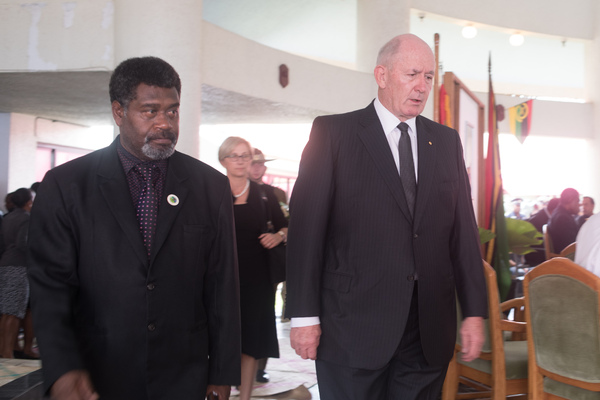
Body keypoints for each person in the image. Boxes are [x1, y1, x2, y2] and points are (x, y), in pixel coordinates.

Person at [286, 34, 487, 399]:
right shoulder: (334, 134)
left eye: (428, 77)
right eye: (412, 74)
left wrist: (474, 311)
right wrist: (303, 316)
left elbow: (463, 234)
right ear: (381, 74)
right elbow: (305, 232)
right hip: (351, 327)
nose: (422, 86)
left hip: (426, 331)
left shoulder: (445, 142)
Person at [27, 57, 241, 400]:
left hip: (183, 375)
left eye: (172, 111)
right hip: (96, 373)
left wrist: (221, 372)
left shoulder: (209, 186)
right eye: (150, 111)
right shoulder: (68, 185)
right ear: (118, 112)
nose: (164, 124)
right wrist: (63, 368)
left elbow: (222, 286)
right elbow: (51, 287)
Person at [218, 137, 287, 400]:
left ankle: (245, 396)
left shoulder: (266, 194)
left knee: (250, 342)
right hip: (219, 277)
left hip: (257, 280)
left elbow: (286, 225)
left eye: (245, 155)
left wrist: (278, 236)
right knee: (221, 340)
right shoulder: (212, 190)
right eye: (234, 156)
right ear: (223, 159)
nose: (240, 160)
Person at [248, 148, 289, 383]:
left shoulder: (275, 193)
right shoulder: (225, 189)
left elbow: (288, 224)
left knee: (263, 315)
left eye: (260, 164)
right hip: (237, 263)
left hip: (266, 263)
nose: (256, 168)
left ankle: (259, 367)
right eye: (252, 163)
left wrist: (279, 236)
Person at [0, 188, 32, 358]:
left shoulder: (8, 216)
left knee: (6, 312)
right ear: (28, 202)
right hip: (19, 265)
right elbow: (23, 244)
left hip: (5, 263)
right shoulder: (26, 218)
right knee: (14, 312)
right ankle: (6, 353)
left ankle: (3, 348)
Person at [524, 197, 559, 266]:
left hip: (538, 253)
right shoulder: (539, 220)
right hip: (536, 256)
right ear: (554, 210)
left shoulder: (543, 215)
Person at [547, 188, 581, 254]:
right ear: (570, 199)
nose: (579, 204)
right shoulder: (563, 218)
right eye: (577, 201)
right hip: (568, 258)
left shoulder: (557, 212)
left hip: (565, 256)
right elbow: (572, 244)